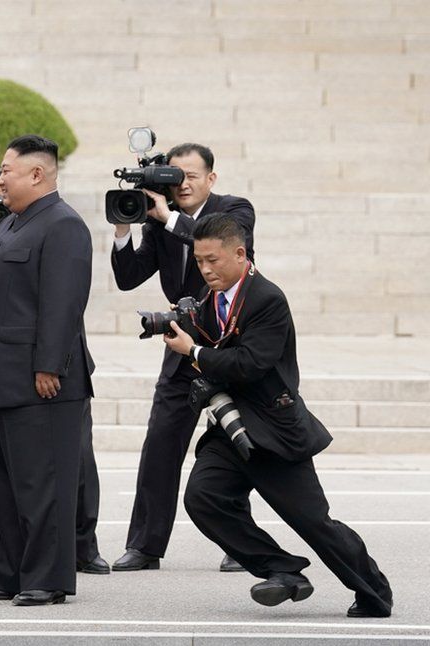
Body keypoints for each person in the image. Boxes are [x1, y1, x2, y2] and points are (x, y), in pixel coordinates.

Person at [163, 212, 393, 618]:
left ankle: (374, 591)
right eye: (200, 261)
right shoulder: (208, 296)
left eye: (213, 260)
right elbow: (214, 350)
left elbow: (250, 364)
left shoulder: (268, 298)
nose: (206, 269)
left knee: (314, 523)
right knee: (204, 499)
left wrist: (193, 351)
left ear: (239, 253)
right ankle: (283, 570)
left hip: (273, 430)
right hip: (229, 425)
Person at [110, 143, 255, 573]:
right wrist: (124, 224)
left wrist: (168, 217)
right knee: (160, 442)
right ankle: (145, 546)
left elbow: (212, 237)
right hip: (181, 339)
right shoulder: (159, 221)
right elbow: (128, 277)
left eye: (191, 176)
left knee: (237, 444)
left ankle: (240, 545)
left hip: (230, 339)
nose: (183, 183)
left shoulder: (234, 209)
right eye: (176, 175)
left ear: (211, 178)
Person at [0, 135, 94, 606]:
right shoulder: (12, 225)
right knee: (6, 487)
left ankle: (47, 579)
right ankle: (11, 572)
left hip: (39, 381)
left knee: (42, 486)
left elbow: (63, 302)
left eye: (6, 172)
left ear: (36, 174)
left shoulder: (62, 224)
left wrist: (48, 365)